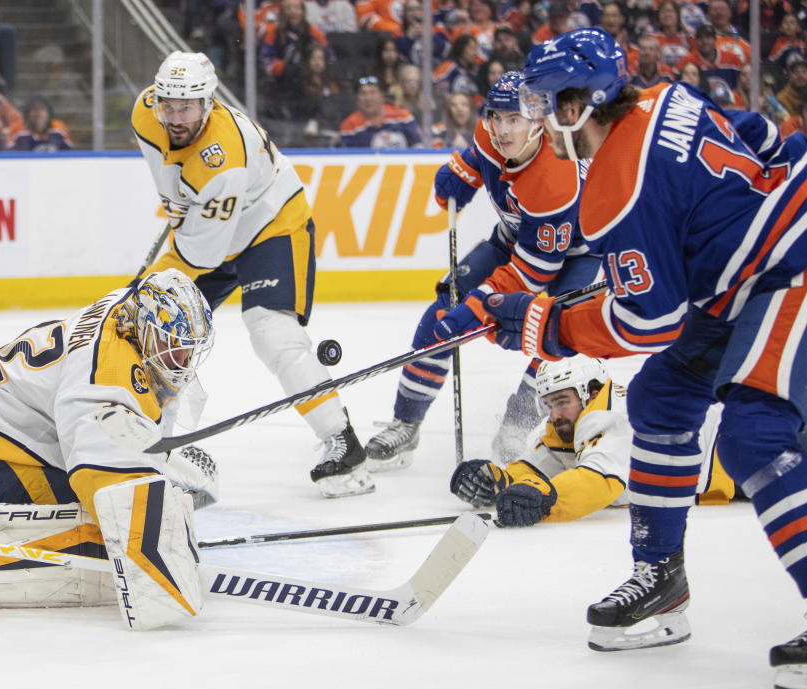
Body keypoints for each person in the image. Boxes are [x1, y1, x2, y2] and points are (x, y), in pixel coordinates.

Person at [466, 26, 807, 683]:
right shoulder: (663, 95)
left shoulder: (616, 185)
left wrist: (542, 322)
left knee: (755, 436)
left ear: (576, 106)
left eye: (544, 103)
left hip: (788, 264)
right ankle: (661, 578)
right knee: (662, 400)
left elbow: (647, 321)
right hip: (749, 266)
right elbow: (757, 133)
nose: (536, 116)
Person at [0, 270, 218, 629]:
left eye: (189, 346)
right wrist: (158, 502)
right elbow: (105, 481)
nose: (183, 358)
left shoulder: (127, 309)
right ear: (146, 328)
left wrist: (160, 462)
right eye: (173, 345)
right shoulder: (103, 376)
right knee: (96, 531)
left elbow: (130, 408)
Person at [131, 51, 373, 498]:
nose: (175, 117)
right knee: (161, 333)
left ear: (208, 102)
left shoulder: (226, 158)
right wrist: (180, 204)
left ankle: (343, 443)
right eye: (169, 104)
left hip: (271, 225)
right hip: (211, 225)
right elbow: (169, 179)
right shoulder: (146, 114)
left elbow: (199, 253)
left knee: (272, 332)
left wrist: (149, 288)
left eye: (187, 107)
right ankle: (153, 448)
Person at [364, 71, 598, 470]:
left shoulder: (555, 177)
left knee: (554, 335)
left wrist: (477, 308)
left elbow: (532, 274)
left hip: (580, 253)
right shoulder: (491, 133)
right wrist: (461, 174)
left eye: (514, 120)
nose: (502, 129)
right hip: (512, 238)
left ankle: (517, 426)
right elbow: (478, 157)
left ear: (538, 121)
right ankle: (407, 422)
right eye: (496, 117)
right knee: (442, 309)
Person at [450, 356, 734, 527]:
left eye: (562, 402)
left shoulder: (615, 414)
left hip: (736, 446)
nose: (555, 414)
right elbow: (539, 468)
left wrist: (544, 501)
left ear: (591, 392)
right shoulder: (565, 421)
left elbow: (599, 483)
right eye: (549, 404)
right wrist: (497, 481)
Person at [339, 74, 423, 148]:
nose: (368, 98)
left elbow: (418, 145)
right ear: (357, 99)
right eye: (363, 93)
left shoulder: (401, 115)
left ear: (382, 97)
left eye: (373, 92)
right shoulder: (350, 125)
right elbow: (351, 158)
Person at [6, 94, 72, 151]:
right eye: (34, 109)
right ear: (27, 114)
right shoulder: (17, 129)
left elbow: (68, 154)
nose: (38, 113)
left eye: (42, 109)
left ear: (48, 113)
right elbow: (10, 157)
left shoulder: (59, 128)